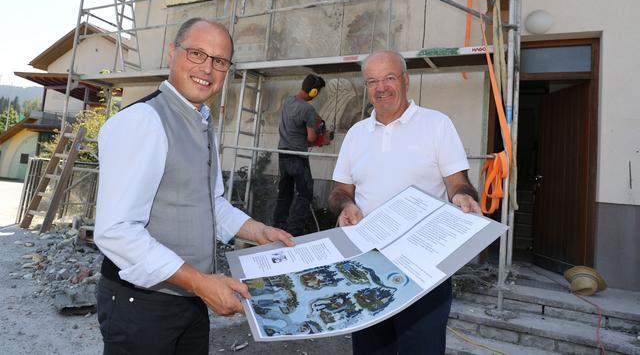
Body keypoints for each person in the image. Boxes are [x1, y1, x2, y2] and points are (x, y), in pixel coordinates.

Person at [94, 18, 294, 355]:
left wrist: (258, 232)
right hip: (143, 305)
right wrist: (200, 282)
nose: (208, 68)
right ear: (173, 52)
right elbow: (116, 231)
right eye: (197, 54)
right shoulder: (143, 121)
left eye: (219, 61)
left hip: (190, 296)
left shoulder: (201, 120)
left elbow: (209, 202)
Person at [328, 50, 481, 355]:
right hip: (367, 266)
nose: (381, 87)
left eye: (389, 78)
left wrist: (463, 196)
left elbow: (458, 184)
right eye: (372, 81)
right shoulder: (357, 134)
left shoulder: (437, 125)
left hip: (423, 268)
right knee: (370, 349)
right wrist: (346, 206)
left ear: (406, 80)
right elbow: (339, 191)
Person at [272, 74, 329, 236]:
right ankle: (295, 230)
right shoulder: (308, 109)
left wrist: (317, 120)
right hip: (297, 156)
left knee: (285, 193)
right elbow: (311, 137)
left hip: (283, 154)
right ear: (313, 92)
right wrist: (320, 137)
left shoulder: (288, 101)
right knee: (305, 193)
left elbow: (303, 117)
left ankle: (278, 226)